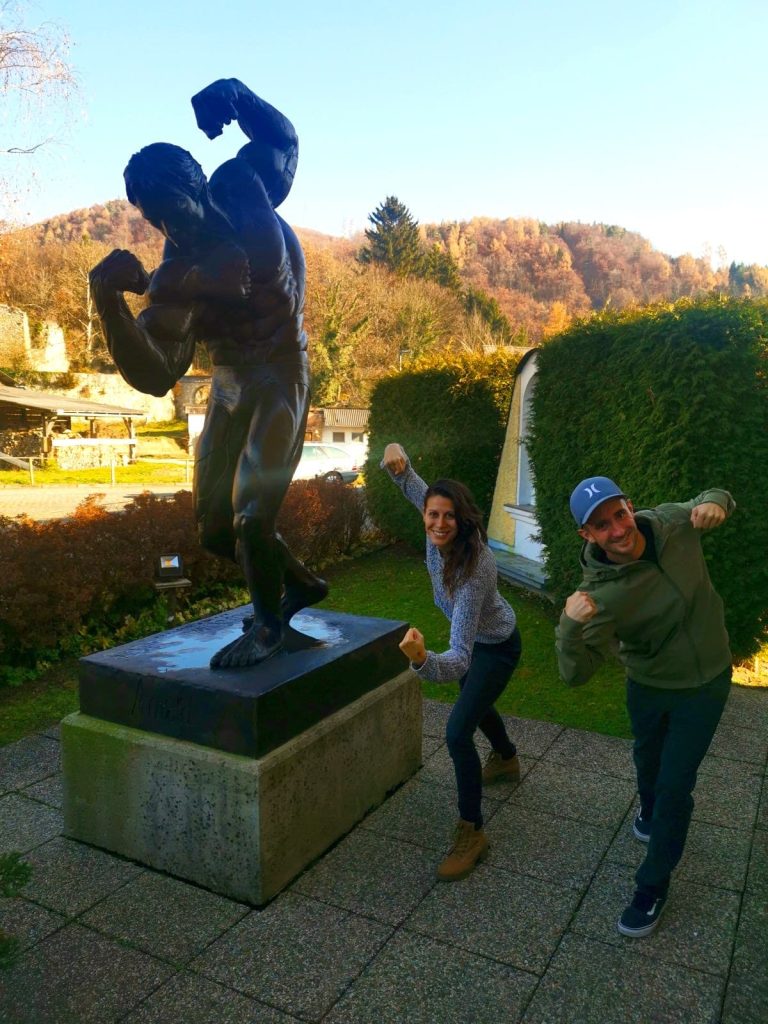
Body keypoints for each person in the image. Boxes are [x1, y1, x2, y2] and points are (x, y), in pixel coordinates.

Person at [89, 79, 327, 669]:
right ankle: (301, 586)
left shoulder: (241, 189)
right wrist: (108, 303)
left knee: (251, 514)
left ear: (197, 187)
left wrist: (237, 98)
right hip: (229, 381)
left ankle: (269, 628)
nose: (173, 229)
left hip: (280, 368)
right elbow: (156, 373)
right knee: (214, 528)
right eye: (158, 220)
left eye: (176, 209)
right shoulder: (175, 274)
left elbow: (285, 143)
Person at [556, 475, 734, 937]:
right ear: (587, 535)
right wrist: (569, 629)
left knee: (676, 786)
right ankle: (648, 808)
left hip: (709, 681)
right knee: (648, 760)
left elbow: (709, 496)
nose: (618, 529)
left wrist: (716, 499)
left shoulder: (671, 523)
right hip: (650, 687)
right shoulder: (600, 595)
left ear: (629, 506)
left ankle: (652, 884)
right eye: (601, 525)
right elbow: (576, 675)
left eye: (619, 513)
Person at [382, 442, 522, 882]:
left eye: (448, 516)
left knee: (457, 729)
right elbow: (412, 484)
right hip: (479, 644)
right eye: (432, 515)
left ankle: (472, 831)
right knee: (475, 707)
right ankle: (506, 757)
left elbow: (460, 658)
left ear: (462, 520)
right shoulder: (433, 527)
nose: (439, 523)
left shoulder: (473, 570)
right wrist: (397, 458)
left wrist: (422, 659)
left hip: (496, 647)